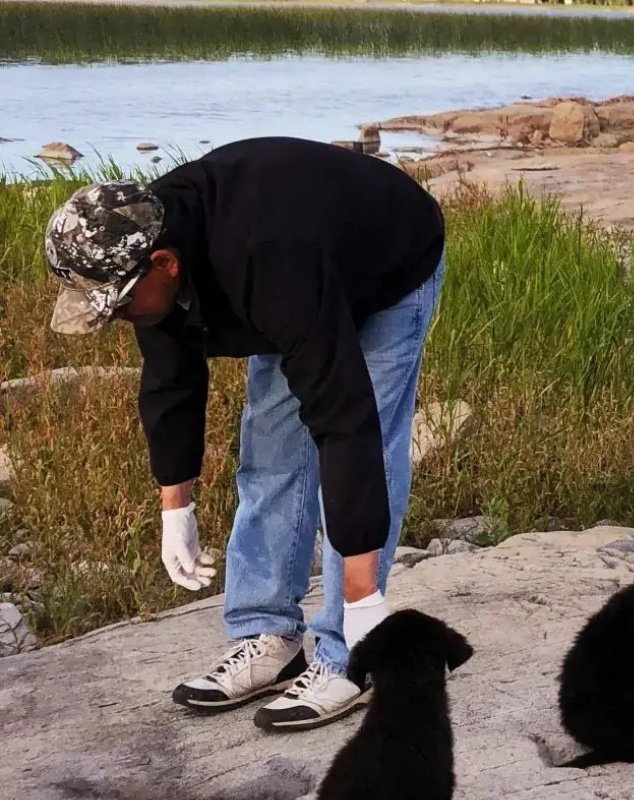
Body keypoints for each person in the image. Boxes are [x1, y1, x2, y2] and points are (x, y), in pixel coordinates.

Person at [43, 136, 447, 731]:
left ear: (165, 265)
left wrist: (364, 603)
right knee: (270, 449)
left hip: (387, 261)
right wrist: (174, 509)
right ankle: (269, 636)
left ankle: (349, 652)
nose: (118, 321)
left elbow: (345, 423)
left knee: (368, 438)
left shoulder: (266, 259)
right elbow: (171, 382)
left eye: (119, 309)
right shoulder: (143, 243)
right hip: (302, 261)